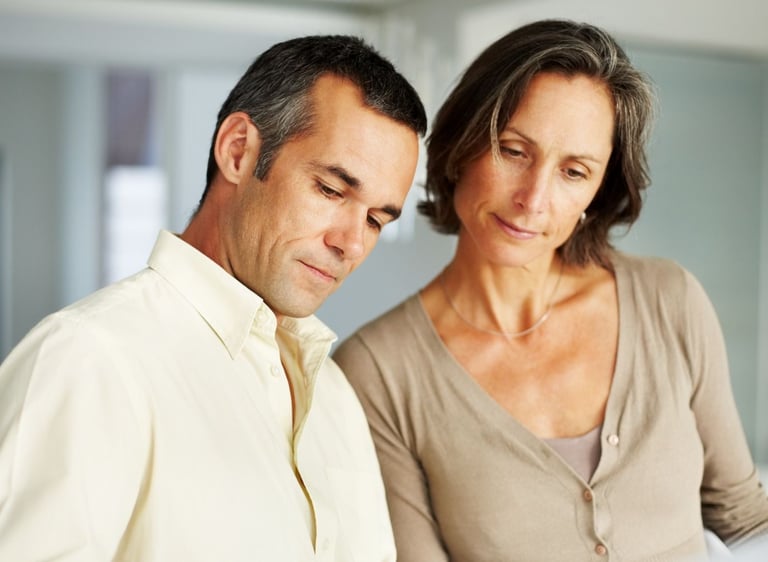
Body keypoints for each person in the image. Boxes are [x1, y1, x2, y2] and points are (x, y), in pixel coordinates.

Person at [333, 19, 768, 562]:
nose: (534, 199)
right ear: (463, 145)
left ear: (598, 189)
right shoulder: (378, 372)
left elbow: (743, 517)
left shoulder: (669, 300)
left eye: (574, 171)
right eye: (514, 151)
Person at [0, 35, 426, 561]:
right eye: (331, 191)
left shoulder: (334, 396)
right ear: (238, 150)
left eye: (376, 219)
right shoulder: (90, 359)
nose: (352, 243)